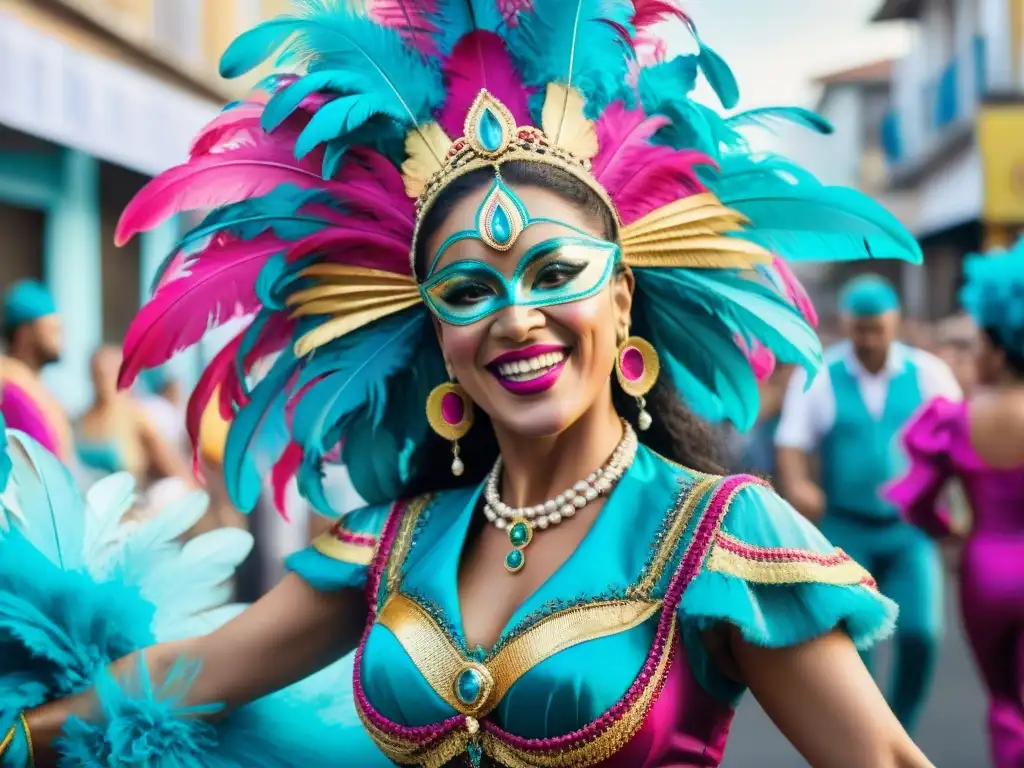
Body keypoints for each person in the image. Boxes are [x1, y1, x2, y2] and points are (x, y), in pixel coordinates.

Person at [0, 3, 934, 766]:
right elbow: (192, 670)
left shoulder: (718, 534)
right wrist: (17, 735)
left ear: (621, 301)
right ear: (438, 336)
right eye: (470, 291)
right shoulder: (391, 542)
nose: (515, 318)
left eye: (554, 274)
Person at [774, 273, 962, 734]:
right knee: (855, 646)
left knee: (921, 634)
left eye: (878, 328)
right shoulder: (819, 373)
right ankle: (864, 740)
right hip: (845, 529)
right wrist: (798, 484)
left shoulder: (929, 373)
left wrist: (957, 502)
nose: (870, 339)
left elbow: (959, 441)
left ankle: (900, 728)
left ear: (895, 323)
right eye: (861, 329)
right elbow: (792, 441)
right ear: (847, 325)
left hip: (907, 530)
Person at [887, 246, 1024, 768]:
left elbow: (918, 503)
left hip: (984, 569)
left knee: (1006, 705)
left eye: (977, 341)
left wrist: (948, 531)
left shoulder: (957, 419)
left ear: (998, 343)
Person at [75, 346, 193, 487]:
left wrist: (199, 496)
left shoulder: (136, 417)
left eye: (110, 373)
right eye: (99, 374)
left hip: (129, 502)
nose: (104, 380)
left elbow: (172, 466)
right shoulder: (81, 420)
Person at [0, 280, 72, 462]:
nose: (61, 338)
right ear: (25, 332)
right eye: (53, 329)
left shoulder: (40, 387)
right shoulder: (5, 375)